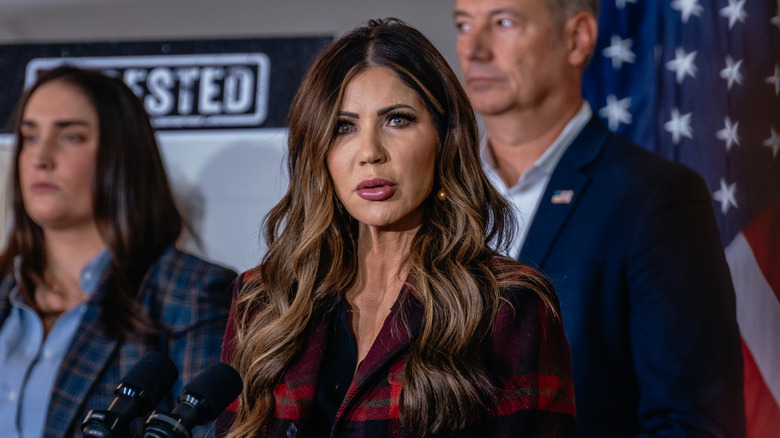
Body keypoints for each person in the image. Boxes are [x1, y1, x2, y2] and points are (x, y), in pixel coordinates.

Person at [216, 19, 575, 438]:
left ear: (444, 138)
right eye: (343, 127)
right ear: (320, 152)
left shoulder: (508, 304)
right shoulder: (264, 301)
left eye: (397, 120)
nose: (370, 152)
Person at [453, 0, 745, 437]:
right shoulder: (441, 200)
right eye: (463, 24)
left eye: (504, 22)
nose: (473, 48)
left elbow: (692, 424)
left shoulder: (655, 198)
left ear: (577, 38)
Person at [0, 66, 237, 438]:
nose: (40, 157)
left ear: (123, 154)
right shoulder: (5, 287)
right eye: (29, 137)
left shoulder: (194, 292)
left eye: (70, 136)